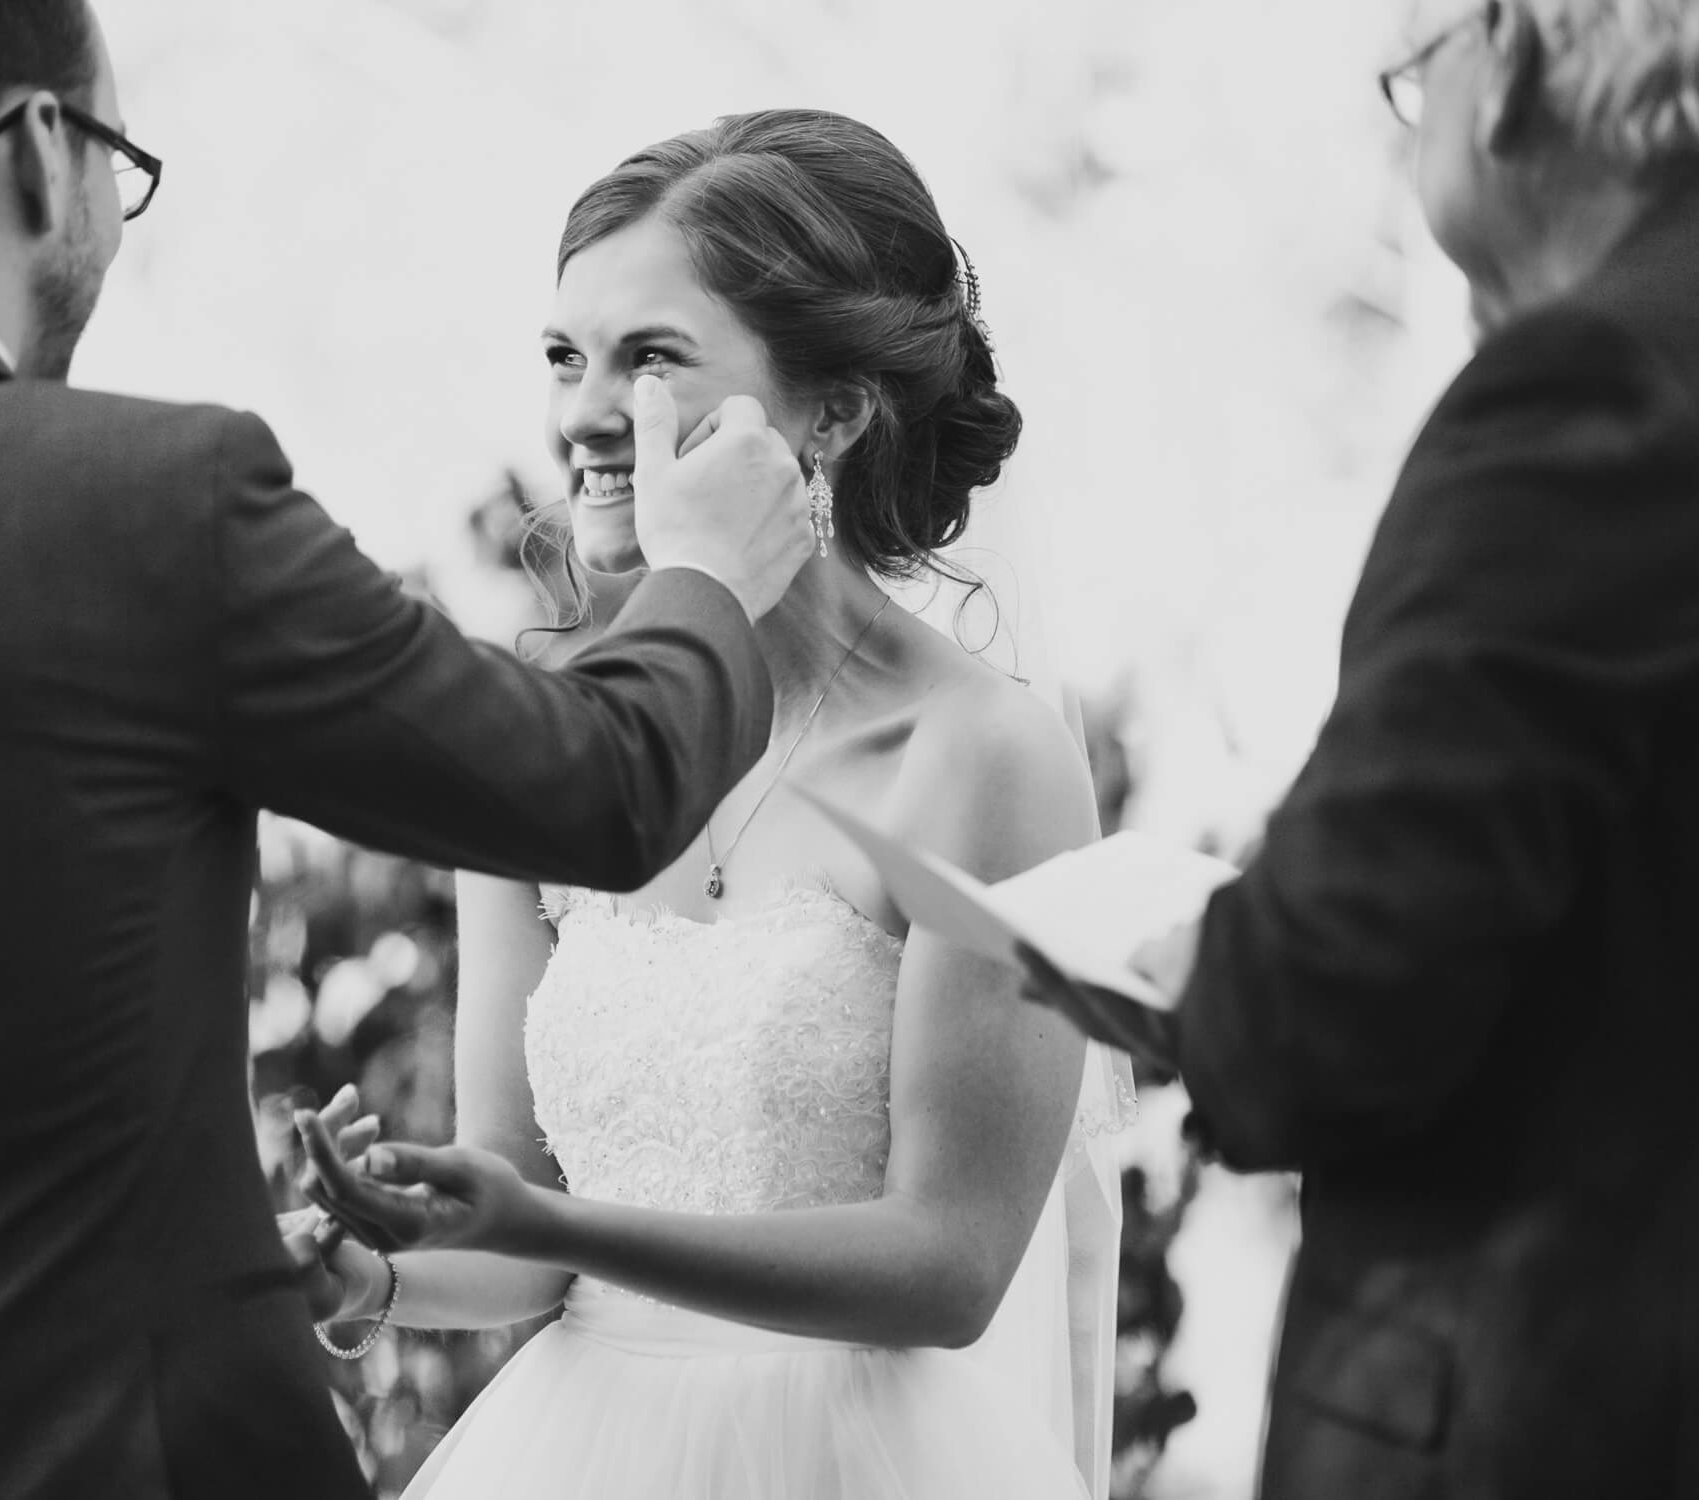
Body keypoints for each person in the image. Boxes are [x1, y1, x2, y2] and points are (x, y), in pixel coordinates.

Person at [0, 2, 820, 1496]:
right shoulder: (150, 505)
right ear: (40, 149)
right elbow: (607, 789)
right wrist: (705, 574)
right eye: (117, 160)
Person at [290, 109, 1131, 1500]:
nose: (582, 413)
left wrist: (559, 1227)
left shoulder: (978, 756)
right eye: (565, 357)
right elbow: (513, 1215)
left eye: (652, 358)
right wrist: (364, 1272)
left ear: (832, 412)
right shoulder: (547, 731)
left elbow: (948, 1265)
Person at [1022, 2, 1699, 1497]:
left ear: (1510, 55)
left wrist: (1208, 976)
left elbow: (1331, 1004)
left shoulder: (1606, 385)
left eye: (1409, 75)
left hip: (1587, 1426)